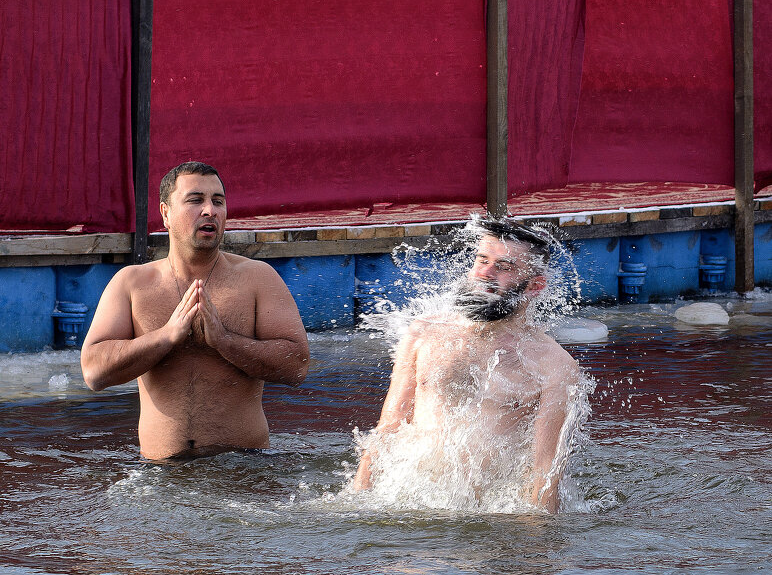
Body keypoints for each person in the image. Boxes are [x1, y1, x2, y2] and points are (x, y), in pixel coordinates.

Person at [81, 161, 309, 460]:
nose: (210, 211)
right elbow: (93, 373)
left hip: (245, 467)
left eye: (218, 201)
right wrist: (165, 337)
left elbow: (298, 367)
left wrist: (225, 342)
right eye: (195, 200)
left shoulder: (257, 278)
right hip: (160, 474)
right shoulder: (132, 284)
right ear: (166, 214)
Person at [352, 216, 582, 513]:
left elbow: (545, 471)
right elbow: (388, 428)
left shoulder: (554, 365)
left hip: (489, 515)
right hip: (410, 504)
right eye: (481, 260)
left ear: (535, 286)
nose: (485, 274)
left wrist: (536, 546)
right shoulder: (424, 333)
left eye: (504, 267)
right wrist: (359, 503)